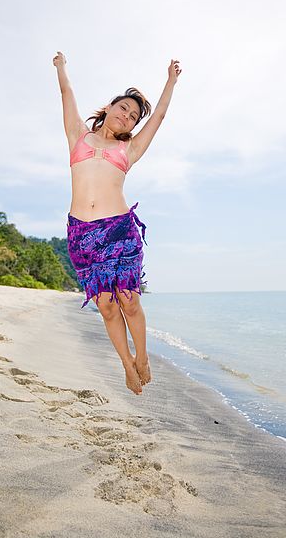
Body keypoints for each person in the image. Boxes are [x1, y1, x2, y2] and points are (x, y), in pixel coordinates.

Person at [53, 51, 181, 395]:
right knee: (106, 306)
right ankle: (127, 365)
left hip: (119, 231)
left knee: (129, 299)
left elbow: (162, 116)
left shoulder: (131, 150)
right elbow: (67, 95)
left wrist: (170, 80)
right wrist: (62, 67)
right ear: (109, 108)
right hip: (82, 235)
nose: (127, 116)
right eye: (123, 108)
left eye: (134, 116)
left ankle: (143, 357)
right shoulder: (77, 136)